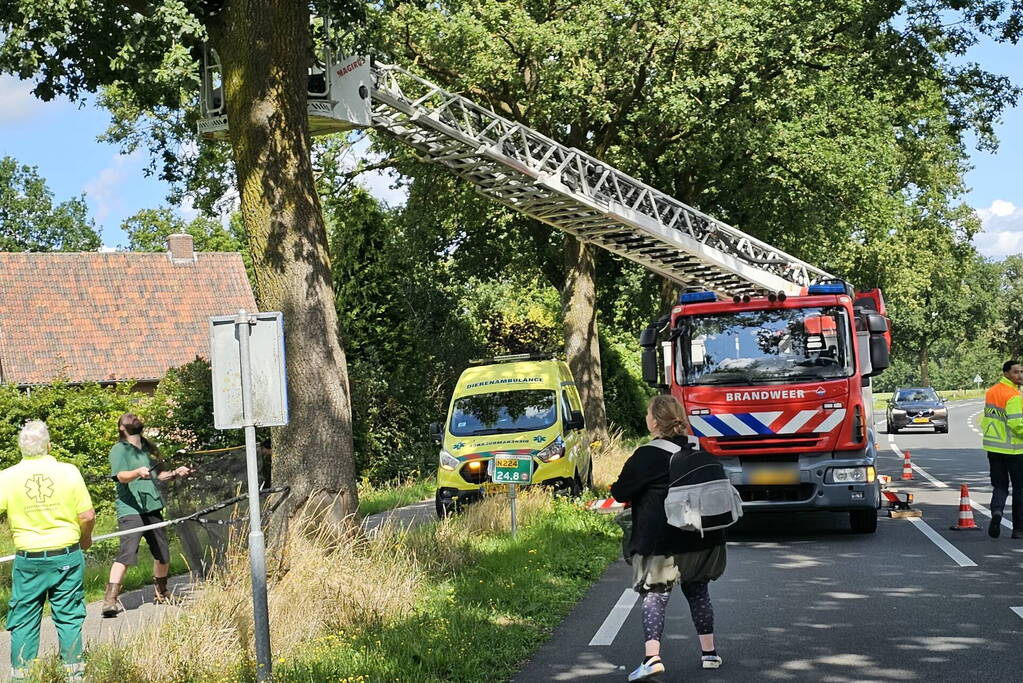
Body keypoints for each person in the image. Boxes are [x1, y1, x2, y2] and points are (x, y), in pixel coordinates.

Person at [610, 395, 726, 681]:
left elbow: (620, 492)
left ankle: (652, 658)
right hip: (702, 539)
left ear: (654, 421)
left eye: (649, 414)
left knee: (655, 596)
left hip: (661, 543)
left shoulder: (647, 455)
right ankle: (709, 654)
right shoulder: (701, 449)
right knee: (698, 592)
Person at [0, 421, 94, 681]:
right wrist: (85, 538)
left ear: (20, 448)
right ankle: (74, 674)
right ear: (49, 445)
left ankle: (22, 675)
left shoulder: (6, 477)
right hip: (66, 554)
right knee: (68, 615)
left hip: (28, 559)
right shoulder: (69, 471)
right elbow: (86, 515)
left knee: (24, 617)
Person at [101, 413, 191, 617]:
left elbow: (159, 477)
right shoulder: (119, 449)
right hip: (131, 509)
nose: (132, 415)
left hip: (153, 507)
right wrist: (135, 473)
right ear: (122, 428)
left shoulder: (145, 451)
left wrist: (176, 473)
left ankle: (162, 593)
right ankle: (110, 600)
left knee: (162, 553)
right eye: (128, 416)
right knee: (127, 552)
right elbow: (121, 476)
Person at [982, 361, 1023, 539]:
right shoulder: (1013, 395)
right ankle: (1018, 529)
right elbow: (1016, 424)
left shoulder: (991, 392)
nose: (1020, 375)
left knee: (999, 485)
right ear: (1006, 373)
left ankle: (997, 512)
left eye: (1021, 372)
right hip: (1014, 450)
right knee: (1019, 489)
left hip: (994, 448)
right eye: (1016, 372)